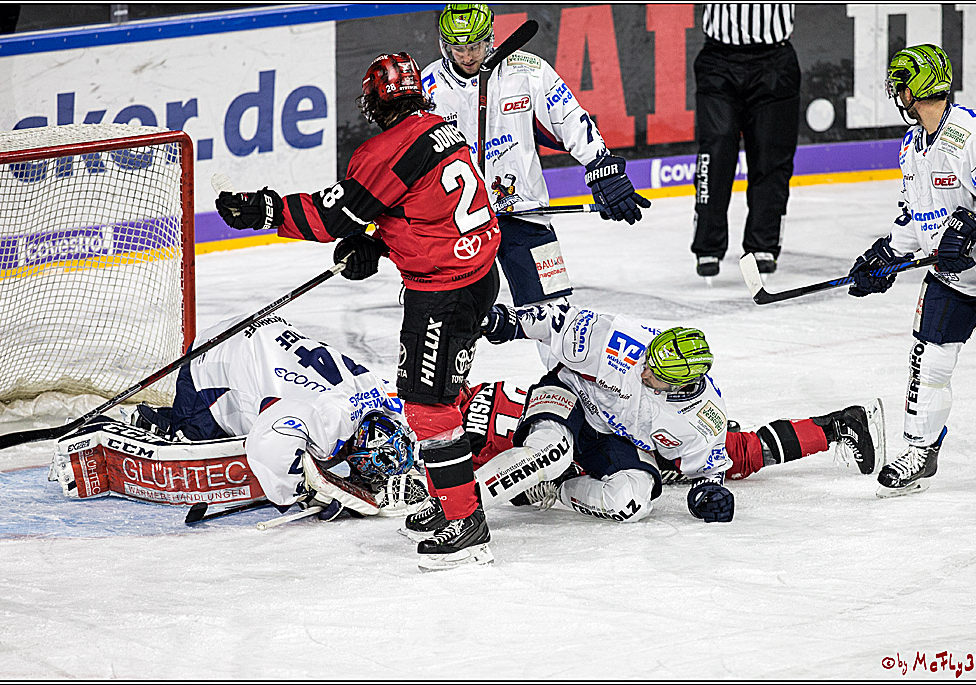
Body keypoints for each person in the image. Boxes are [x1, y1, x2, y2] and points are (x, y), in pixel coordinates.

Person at [213, 52, 500, 570]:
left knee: (426, 408)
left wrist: (265, 209)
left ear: (372, 100)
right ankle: (448, 499)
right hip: (478, 275)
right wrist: (380, 243)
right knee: (442, 396)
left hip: (443, 294)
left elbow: (331, 216)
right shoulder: (444, 129)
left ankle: (465, 524)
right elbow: (427, 210)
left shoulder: (383, 151)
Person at [406, 300, 886, 530]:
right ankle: (456, 507)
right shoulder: (622, 339)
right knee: (549, 450)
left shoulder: (702, 421)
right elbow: (553, 320)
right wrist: (501, 321)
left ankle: (558, 488)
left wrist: (708, 496)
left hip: (623, 443)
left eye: (656, 374)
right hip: (569, 397)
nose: (645, 370)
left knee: (632, 504)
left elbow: (715, 466)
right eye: (649, 360)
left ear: (682, 385)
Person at [421, 3, 650, 307]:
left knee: (556, 317)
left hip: (526, 213)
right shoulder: (428, 85)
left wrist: (602, 165)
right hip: (457, 225)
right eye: (457, 48)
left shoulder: (529, 70)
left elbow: (571, 119)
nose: (466, 56)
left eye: (474, 46)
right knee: (453, 322)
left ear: (490, 38)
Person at [845, 44, 976, 498]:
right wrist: (884, 255)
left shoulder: (973, 135)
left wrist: (972, 228)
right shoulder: (913, 146)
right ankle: (920, 451)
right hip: (951, 278)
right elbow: (918, 216)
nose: (896, 92)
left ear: (917, 88)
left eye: (900, 84)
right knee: (928, 365)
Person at [130, 313, 421, 520]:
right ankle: (156, 422)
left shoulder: (381, 396)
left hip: (261, 333)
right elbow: (266, 443)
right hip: (214, 357)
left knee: (288, 424)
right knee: (203, 436)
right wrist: (303, 492)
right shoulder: (326, 420)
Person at [691, 3, 800, 277]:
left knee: (771, 156)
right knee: (715, 149)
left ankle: (763, 243)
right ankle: (708, 244)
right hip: (719, 58)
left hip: (774, 59)